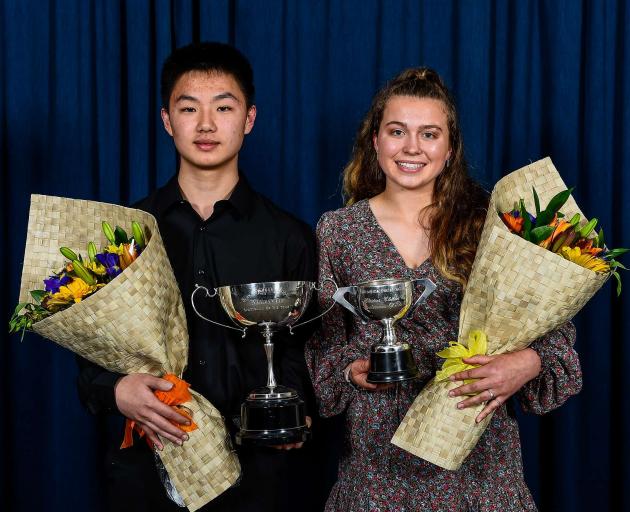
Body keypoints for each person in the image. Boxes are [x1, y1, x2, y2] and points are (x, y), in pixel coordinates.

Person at [305, 67, 581, 511]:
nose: (412, 147)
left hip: (480, 467)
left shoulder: (493, 224)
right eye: (397, 131)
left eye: (429, 134)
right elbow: (323, 345)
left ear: (450, 148)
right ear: (375, 141)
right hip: (378, 471)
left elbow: (554, 333)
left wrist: (526, 363)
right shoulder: (338, 231)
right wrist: (349, 370)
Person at [77, 42, 321, 512]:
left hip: (258, 472)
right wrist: (115, 389)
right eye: (189, 108)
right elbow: (89, 346)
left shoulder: (289, 236)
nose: (206, 124)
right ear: (168, 120)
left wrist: (294, 413)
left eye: (223, 107)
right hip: (147, 468)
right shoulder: (123, 233)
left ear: (249, 119)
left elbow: (301, 346)